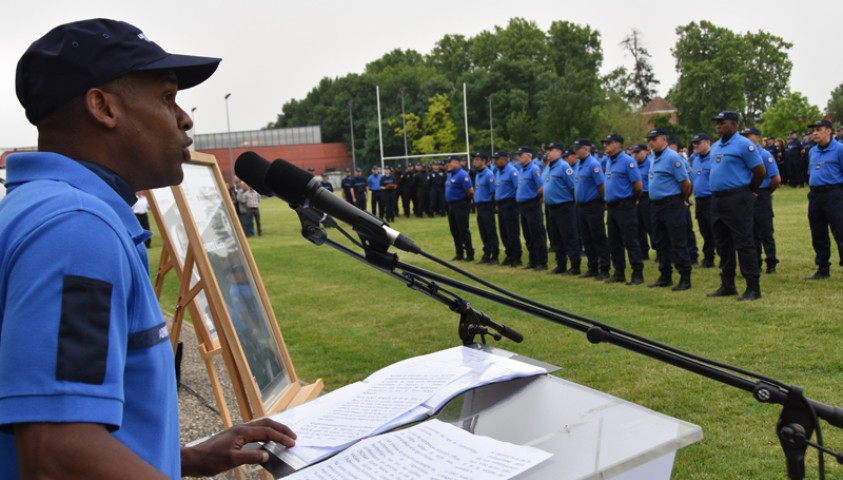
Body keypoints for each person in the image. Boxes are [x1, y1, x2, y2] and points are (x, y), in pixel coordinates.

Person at [0, 18, 296, 479]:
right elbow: (56, 453)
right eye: (166, 97)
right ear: (102, 107)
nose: (184, 118)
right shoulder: (76, 228)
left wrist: (182, 458)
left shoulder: (52, 208)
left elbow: (68, 427)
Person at [707, 111, 766, 301]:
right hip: (717, 199)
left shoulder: (744, 145)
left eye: (721, 122)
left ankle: (752, 287)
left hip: (737, 198)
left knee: (744, 242)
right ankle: (727, 284)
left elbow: (759, 171)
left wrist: (750, 191)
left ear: (733, 124)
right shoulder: (715, 146)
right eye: (717, 123)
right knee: (722, 243)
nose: (718, 126)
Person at [646, 128, 693, 291]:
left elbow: (686, 183)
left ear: (664, 140)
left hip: (672, 204)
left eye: (654, 139)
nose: (651, 142)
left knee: (677, 241)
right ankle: (665, 275)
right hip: (656, 205)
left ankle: (685, 277)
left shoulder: (673, 158)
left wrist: (681, 199)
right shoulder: (653, 158)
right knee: (660, 242)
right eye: (649, 139)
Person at [601, 134, 644, 285]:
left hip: (625, 205)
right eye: (604, 143)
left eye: (608, 143)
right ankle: (619, 272)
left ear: (618, 144)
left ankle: (637, 273)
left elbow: (638, 186)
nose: (605, 146)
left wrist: (631, 200)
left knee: (630, 240)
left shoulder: (628, 161)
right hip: (612, 207)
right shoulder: (608, 161)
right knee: (614, 241)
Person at [804, 118, 843, 280]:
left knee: (840, 231)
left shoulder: (840, 149)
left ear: (828, 131)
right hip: (815, 195)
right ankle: (822, 267)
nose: (815, 133)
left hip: (834, 194)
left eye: (818, 130)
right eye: (814, 130)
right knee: (818, 232)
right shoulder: (813, 151)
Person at [741, 127, 781, 274]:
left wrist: (766, 192)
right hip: (747, 194)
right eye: (743, 136)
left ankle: (771, 262)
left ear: (757, 137)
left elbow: (776, 179)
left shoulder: (765, 155)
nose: (745, 139)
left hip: (762, 194)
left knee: (765, 231)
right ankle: (755, 262)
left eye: (748, 136)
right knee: (750, 232)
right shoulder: (743, 155)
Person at [573, 139, 610, 280]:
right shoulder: (578, 165)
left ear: (586, 149)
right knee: (586, 238)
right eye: (575, 148)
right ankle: (592, 267)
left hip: (593, 205)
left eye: (578, 148)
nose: (576, 151)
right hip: (581, 206)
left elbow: (601, 185)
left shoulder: (594, 164)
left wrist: (602, 202)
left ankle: (604, 268)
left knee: (598, 237)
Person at [543, 143, 580, 275]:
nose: (548, 153)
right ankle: (561, 264)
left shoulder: (564, 167)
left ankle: (575, 265)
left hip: (564, 206)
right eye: (547, 150)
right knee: (556, 237)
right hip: (551, 207)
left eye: (551, 150)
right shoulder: (548, 167)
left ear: (559, 152)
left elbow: (573, 187)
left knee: (569, 236)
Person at [514, 146, 548, 270]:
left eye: (521, 155)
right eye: (518, 155)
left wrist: (535, 197)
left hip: (532, 204)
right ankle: (533, 260)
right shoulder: (522, 170)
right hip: (523, 206)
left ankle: (542, 261)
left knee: (537, 233)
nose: (519, 157)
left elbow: (541, 187)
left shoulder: (534, 169)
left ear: (529, 155)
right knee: (528, 234)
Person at [689, 133, 716, 268]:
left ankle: (722, 256)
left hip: (711, 198)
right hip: (699, 199)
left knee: (715, 229)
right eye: (694, 143)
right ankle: (708, 257)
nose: (695, 145)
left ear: (707, 142)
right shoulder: (695, 159)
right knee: (704, 229)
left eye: (698, 143)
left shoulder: (714, 158)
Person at [493, 151, 523, 267]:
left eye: (497, 159)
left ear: (504, 159)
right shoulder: (498, 172)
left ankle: (516, 257)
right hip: (501, 205)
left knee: (512, 232)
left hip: (510, 204)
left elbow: (518, 188)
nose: (495, 161)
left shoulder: (512, 171)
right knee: (504, 232)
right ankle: (509, 254)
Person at [444, 155, 474, 261]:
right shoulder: (450, 174)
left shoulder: (462, 175)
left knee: (463, 229)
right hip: (451, 205)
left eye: (450, 162)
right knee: (454, 230)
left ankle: (469, 253)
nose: (448, 164)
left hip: (461, 205)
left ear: (456, 163)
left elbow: (470, 191)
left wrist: (466, 201)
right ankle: (459, 253)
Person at [472, 152, 499, 264]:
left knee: (490, 231)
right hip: (480, 206)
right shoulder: (478, 174)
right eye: (475, 159)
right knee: (483, 231)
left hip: (487, 206)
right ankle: (486, 253)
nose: (475, 161)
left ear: (484, 161)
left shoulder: (489, 174)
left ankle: (494, 255)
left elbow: (493, 192)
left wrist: (495, 206)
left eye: (478, 159)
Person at [632, 144, 654, 260]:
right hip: (636, 198)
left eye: (638, 152)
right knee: (638, 226)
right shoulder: (632, 165)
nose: (636, 154)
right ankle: (643, 251)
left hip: (647, 197)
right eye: (634, 152)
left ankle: (659, 251)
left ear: (646, 152)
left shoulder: (651, 164)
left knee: (650, 225)